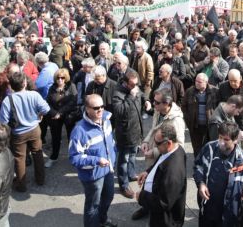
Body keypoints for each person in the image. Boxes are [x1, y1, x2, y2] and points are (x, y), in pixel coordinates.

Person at [0, 72, 54, 192]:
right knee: (37, 153)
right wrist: (39, 115)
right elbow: (46, 109)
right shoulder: (34, 95)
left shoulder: (8, 100)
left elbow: (3, 121)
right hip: (34, 129)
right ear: (24, 83)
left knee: (19, 158)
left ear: (11, 86)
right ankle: (40, 179)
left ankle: (21, 185)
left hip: (18, 133)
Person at [193, 122, 243, 226]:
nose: (221, 142)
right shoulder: (209, 149)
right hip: (208, 210)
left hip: (231, 216)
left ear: (235, 140)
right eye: (220, 137)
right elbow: (198, 166)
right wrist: (201, 183)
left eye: (226, 140)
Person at [69, 94, 117, 227]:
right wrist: (96, 160)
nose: (100, 110)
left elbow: (110, 141)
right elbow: (74, 157)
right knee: (93, 205)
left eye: (102, 106)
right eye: (96, 108)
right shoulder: (79, 131)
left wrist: (113, 156)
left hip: (108, 169)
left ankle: (102, 220)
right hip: (93, 175)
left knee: (108, 197)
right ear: (87, 109)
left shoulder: (106, 119)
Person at [135, 121, 187, 227]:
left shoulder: (173, 172)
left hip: (166, 221)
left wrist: (142, 196)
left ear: (168, 143)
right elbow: (160, 163)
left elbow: (163, 203)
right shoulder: (169, 150)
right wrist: (148, 172)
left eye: (158, 143)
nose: (155, 145)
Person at [112, 70, 150, 199]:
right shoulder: (118, 93)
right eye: (133, 85)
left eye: (136, 84)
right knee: (123, 159)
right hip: (125, 133)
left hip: (136, 130)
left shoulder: (134, 88)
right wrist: (130, 97)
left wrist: (146, 100)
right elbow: (120, 112)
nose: (135, 87)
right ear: (125, 83)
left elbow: (142, 94)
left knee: (133, 154)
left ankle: (131, 173)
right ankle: (123, 185)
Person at [44, 68, 78, 168]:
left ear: (66, 78)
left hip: (68, 116)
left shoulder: (71, 86)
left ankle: (74, 157)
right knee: (55, 137)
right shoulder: (52, 88)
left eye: (62, 78)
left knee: (71, 137)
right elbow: (48, 102)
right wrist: (54, 113)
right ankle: (54, 157)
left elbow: (73, 102)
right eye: (58, 78)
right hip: (55, 116)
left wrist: (61, 112)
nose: (60, 80)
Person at [217, 69, 243, 150]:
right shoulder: (223, 87)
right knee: (229, 148)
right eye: (230, 81)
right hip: (229, 124)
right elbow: (219, 105)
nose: (232, 83)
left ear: (240, 78)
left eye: (235, 81)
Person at [182, 73, 219, 156]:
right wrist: (188, 119)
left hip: (209, 125)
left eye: (200, 82)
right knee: (197, 147)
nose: (197, 83)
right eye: (196, 81)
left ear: (206, 82)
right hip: (195, 126)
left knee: (210, 147)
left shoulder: (215, 91)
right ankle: (198, 163)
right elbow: (184, 106)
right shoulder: (189, 91)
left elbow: (219, 107)